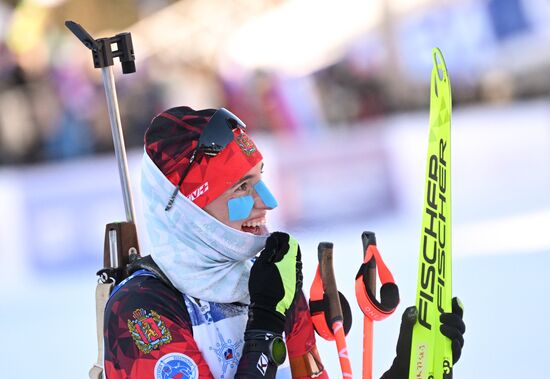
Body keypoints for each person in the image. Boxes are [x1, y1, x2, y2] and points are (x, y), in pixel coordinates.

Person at [102, 106, 465, 379]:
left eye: (259, 180)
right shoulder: (141, 311)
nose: (267, 201)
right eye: (241, 187)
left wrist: (406, 370)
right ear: (187, 208)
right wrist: (265, 324)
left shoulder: (267, 283)